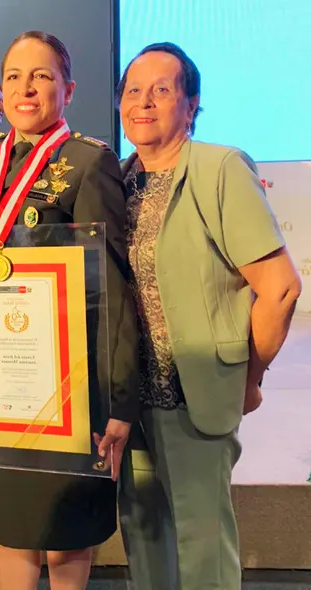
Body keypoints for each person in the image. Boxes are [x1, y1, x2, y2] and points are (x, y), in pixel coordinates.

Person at [0, 31, 140, 589]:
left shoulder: (89, 162)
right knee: (11, 530)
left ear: (67, 88)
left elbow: (113, 287)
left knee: (65, 538)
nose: (26, 88)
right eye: (14, 76)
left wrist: (117, 397)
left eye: (41, 76)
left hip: (71, 387)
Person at [114, 43, 302, 590]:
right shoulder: (117, 179)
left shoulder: (219, 168)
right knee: (143, 536)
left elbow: (281, 289)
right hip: (128, 399)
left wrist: (249, 375)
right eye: (132, 90)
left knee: (202, 548)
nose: (143, 102)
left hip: (191, 397)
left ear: (191, 104)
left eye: (162, 90)